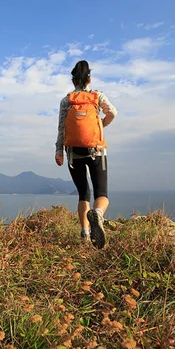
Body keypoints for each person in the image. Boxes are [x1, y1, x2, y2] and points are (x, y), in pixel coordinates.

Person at [55, 60, 117, 249]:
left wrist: (59, 151)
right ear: (89, 78)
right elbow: (113, 112)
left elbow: (61, 128)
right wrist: (102, 124)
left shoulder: (67, 100)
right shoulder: (98, 96)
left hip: (74, 153)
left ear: (73, 81)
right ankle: (98, 214)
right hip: (96, 150)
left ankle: (85, 234)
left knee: (83, 193)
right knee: (101, 193)